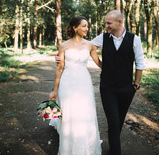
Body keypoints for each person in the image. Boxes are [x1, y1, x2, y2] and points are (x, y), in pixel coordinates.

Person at [56, 10, 145, 155]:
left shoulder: (134, 39)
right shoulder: (102, 38)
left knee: (119, 122)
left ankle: (112, 149)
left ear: (120, 22)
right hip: (107, 88)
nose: (106, 26)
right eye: (106, 23)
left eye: (109, 23)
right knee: (113, 122)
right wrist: (61, 57)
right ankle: (116, 152)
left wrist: (135, 85)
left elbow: (140, 64)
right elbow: (82, 46)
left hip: (126, 88)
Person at [49, 16, 102, 155]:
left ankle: (87, 147)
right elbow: (59, 68)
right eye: (84, 26)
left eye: (87, 26)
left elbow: (100, 64)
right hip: (67, 83)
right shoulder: (64, 45)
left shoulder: (89, 45)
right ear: (75, 27)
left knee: (85, 111)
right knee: (70, 114)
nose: (86, 28)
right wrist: (55, 90)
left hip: (84, 82)